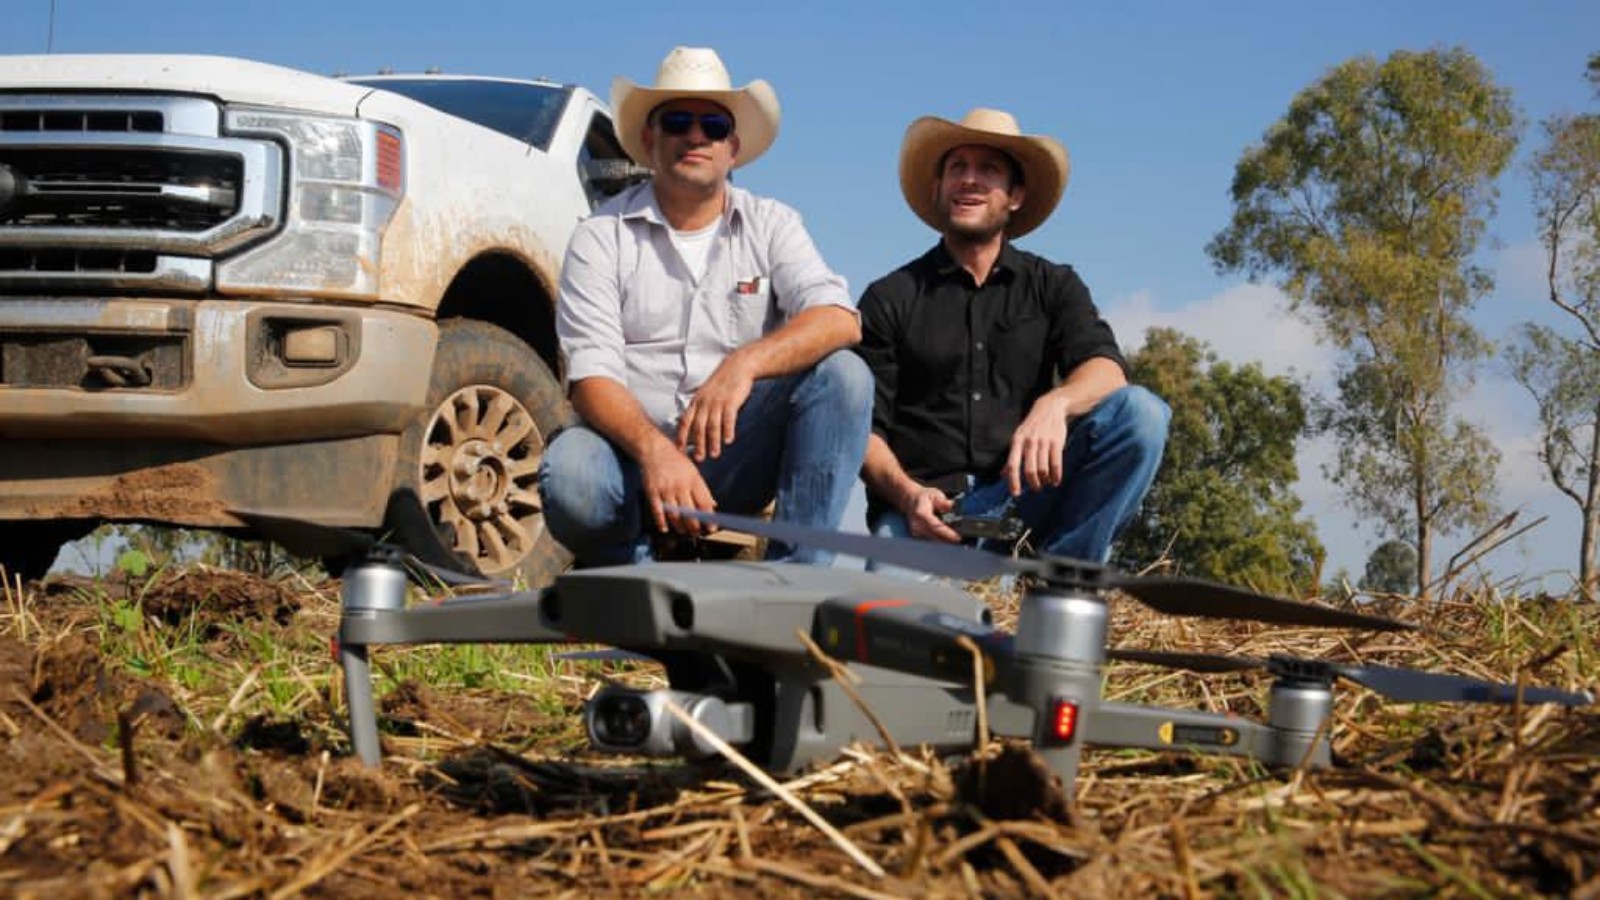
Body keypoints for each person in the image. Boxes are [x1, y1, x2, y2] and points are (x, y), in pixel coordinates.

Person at [539, 47, 871, 567]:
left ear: (732, 148)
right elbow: (590, 377)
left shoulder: (774, 223)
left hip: (735, 457)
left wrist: (745, 364)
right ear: (650, 141)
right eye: (677, 121)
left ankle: (796, 583)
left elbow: (838, 318)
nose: (696, 137)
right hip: (631, 461)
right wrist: (657, 453)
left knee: (845, 376)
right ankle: (629, 571)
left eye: (713, 126)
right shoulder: (600, 235)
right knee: (572, 470)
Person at [856, 108, 1169, 568]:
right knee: (891, 623)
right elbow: (863, 433)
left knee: (1142, 414)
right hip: (924, 516)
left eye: (989, 169)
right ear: (937, 188)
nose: (970, 180)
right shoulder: (889, 297)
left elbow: (1107, 372)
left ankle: (1060, 576)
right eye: (957, 168)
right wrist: (907, 496)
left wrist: (1055, 404)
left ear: (1016, 195)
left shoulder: (1053, 285)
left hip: (1024, 503)